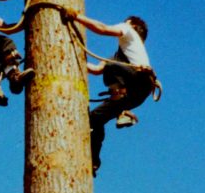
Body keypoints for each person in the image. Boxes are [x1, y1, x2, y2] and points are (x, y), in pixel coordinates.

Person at [67, 10, 157, 175]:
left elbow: (102, 28)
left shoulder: (128, 30)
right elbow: (95, 70)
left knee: (111, 66)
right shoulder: (117, 58)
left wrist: (76, 17)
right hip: (136, 94)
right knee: (94, 119)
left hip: (138, 82)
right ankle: (94, 159)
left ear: (131, 25)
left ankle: (121, 104)